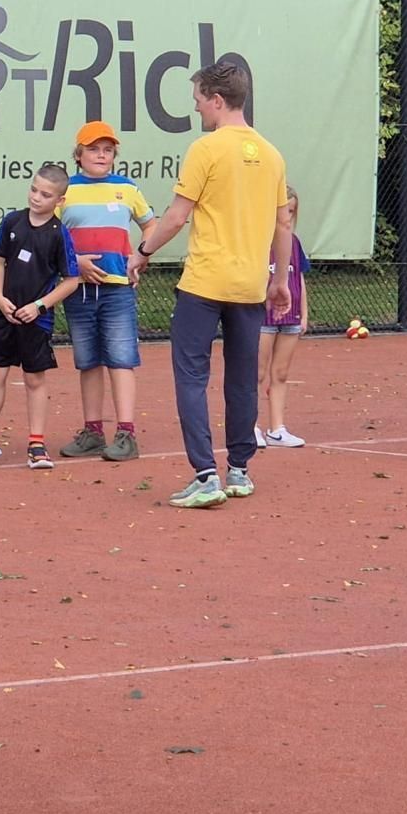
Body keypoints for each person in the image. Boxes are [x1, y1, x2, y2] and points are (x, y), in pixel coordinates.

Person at [128, 62, 291, 509]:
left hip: (204, 284)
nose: (196, 105)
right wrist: (279, 278)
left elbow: (177, 217)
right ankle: (238, 471)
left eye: (199, 98)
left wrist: (141, 253)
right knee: (242, 379)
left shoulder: (206, 148)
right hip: (250, 287)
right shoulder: (272, 154)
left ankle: (205, 475)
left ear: (217, 100)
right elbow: (283, 225)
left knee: (191, 377)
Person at [0, 163, 80, 470]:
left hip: (36, 321)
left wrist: (39, 306)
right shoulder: (12, 222)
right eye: (34, 190)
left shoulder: (59, 235)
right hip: (6, 316)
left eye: (46, 194)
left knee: (34, 379)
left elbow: (71, 280)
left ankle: (37, 444)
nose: (37, 197)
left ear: (59, 201)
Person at [57, 121, 156, 462]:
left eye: (108, 150)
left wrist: (140, 256)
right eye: (93, 149)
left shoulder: (127, 188)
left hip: (117, 289)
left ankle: (126, 434)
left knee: (121, 359)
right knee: (88, 362)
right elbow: (52, 234)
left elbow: (151, 225)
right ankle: (93, 432)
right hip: (78, 289)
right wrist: (76, 261)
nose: (101, 155)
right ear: (79, 155)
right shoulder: (65, 190)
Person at [256, 185, 310, 448]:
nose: (286, 216)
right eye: (282, 211)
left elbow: (299, 276)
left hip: (291, 316)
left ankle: (277, 429)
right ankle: (250, 427)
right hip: (263, 317)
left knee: (281, 373)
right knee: (256, 372)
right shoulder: (257, 241)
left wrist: (304, 314)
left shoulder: (295, 243)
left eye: (291, 211)